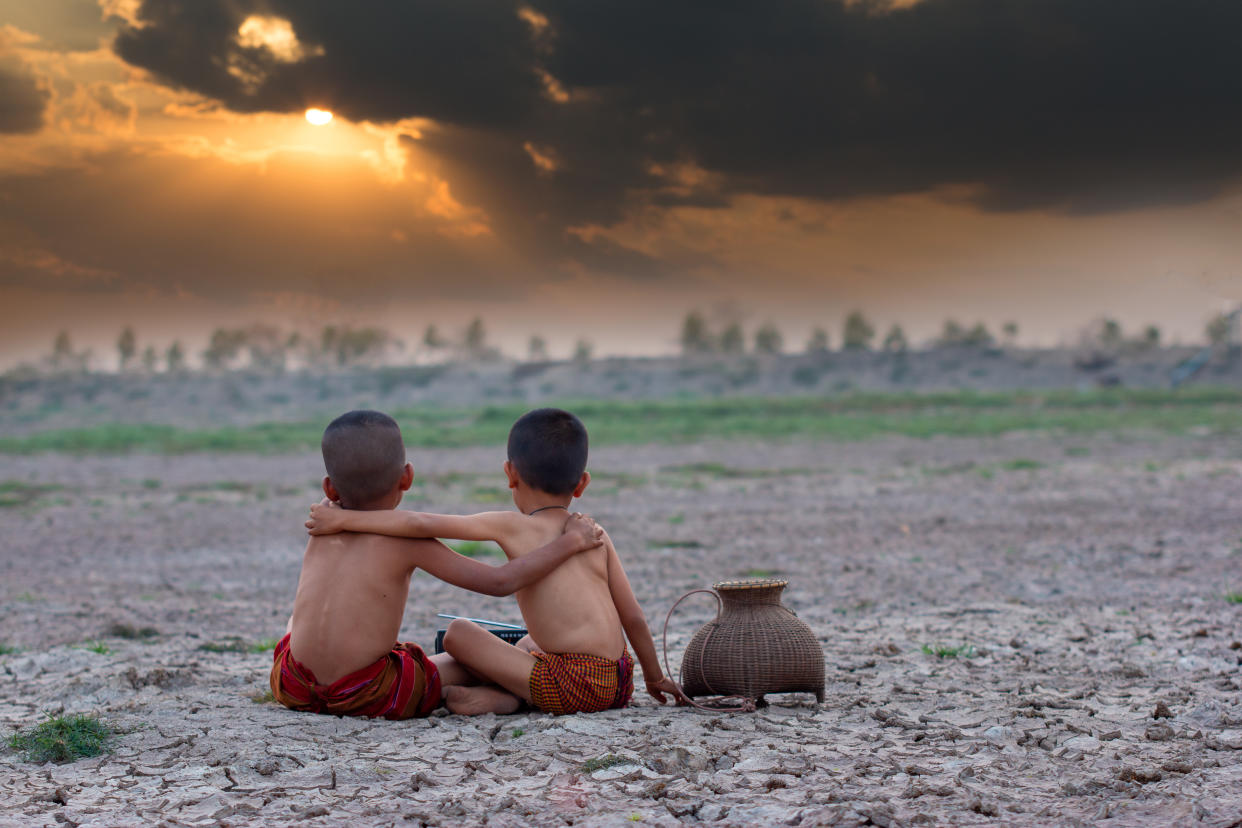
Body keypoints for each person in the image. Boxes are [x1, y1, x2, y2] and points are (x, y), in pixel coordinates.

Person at [306, 407, 687, 715]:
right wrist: (653, 678)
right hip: (617, 681)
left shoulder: (511, 525)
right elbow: (633, 617)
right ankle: (510, 695)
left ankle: (510, 698)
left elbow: (418, 522)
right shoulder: (594, 533)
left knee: (458, 632)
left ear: (510, 474)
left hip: (569, 688)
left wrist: (342, 518)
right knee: (527, 641)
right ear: (582, 483)